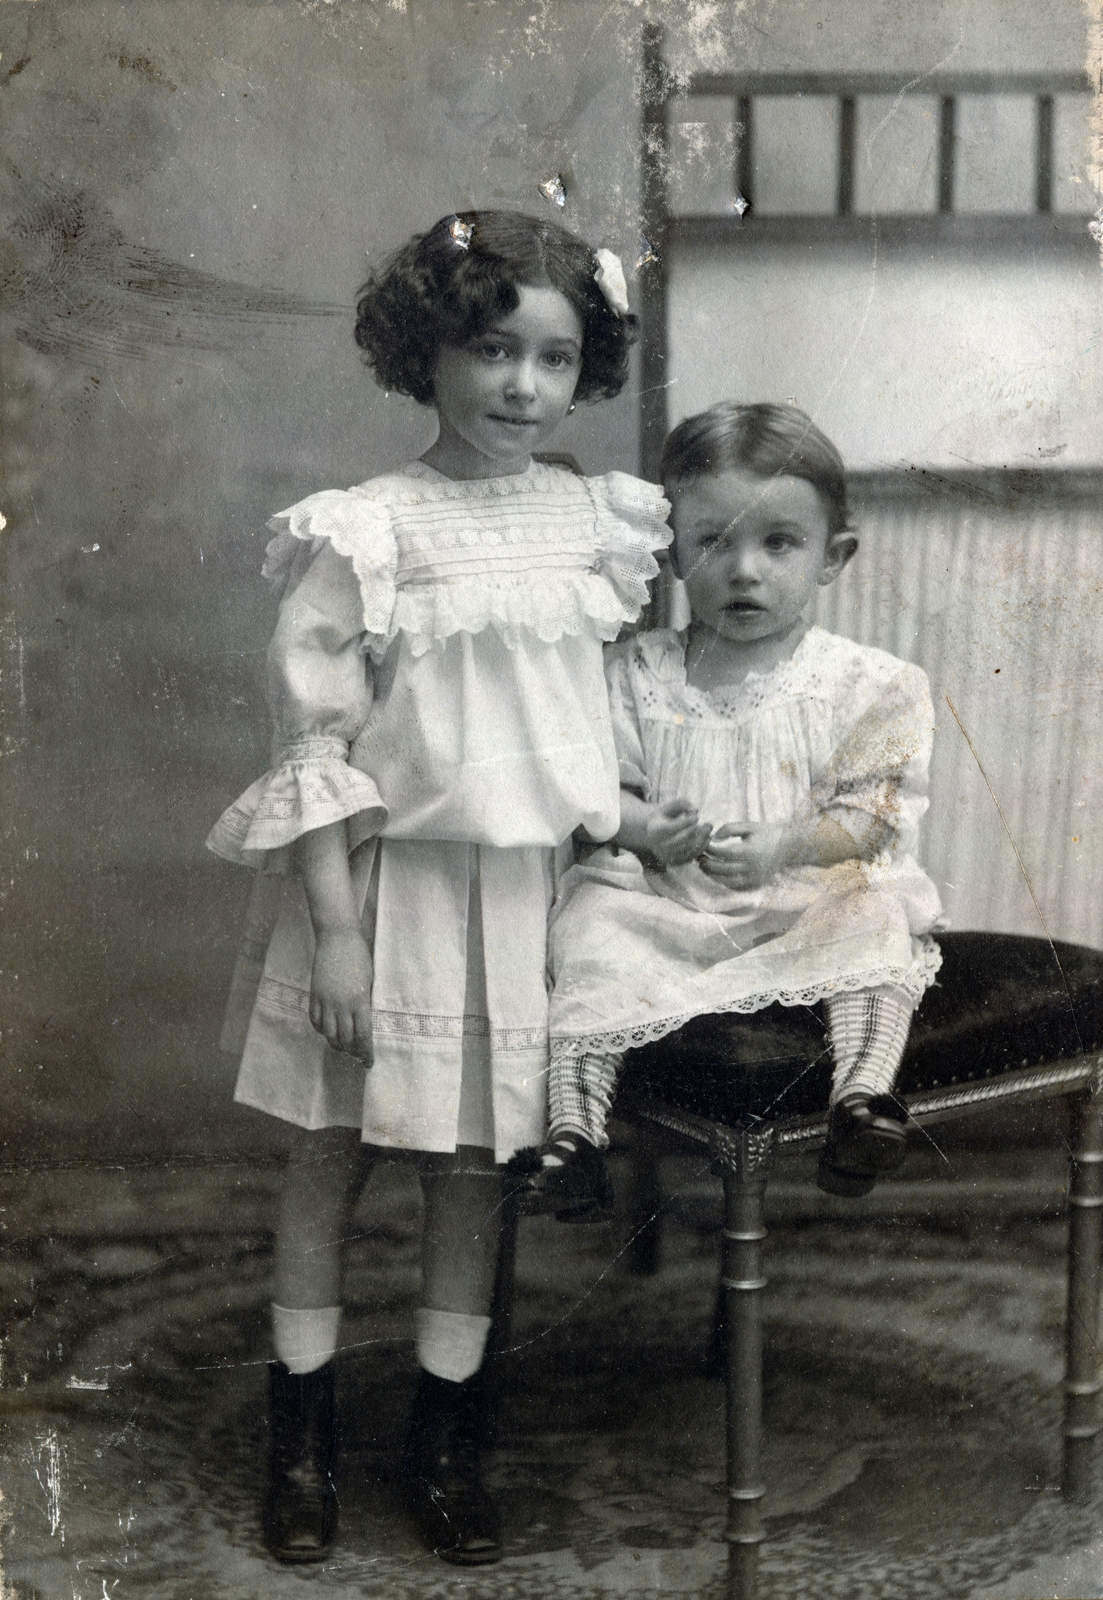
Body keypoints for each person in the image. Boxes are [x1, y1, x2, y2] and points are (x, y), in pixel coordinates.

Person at [206, 210, 671, 1567]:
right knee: (330, 1152)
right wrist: (337, 942)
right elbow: (314, 746)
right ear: (428, 352)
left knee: (475, 1171)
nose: (519, 385)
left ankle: (442, 1436)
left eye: (551, 355)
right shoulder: (366, 531)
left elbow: (572, 735)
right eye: (488, 349)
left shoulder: (596, 527)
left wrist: (639, 831)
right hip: (374, 888)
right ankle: (299, 1436)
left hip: (516, 897)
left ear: (582, 370)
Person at [513, 402, 944, 1219]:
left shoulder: (872, 685)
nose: (743, 570)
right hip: (672, 912)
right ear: (672, 552)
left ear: (831, 556)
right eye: (713, 540)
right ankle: (574, 1136)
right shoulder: (634, 673)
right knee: (587, 930)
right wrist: (645, 830)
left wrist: (786, 843)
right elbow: (594, 798)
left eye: (778, 542)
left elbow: (873, 819)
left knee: (880, 911)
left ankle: (861, 1101)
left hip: (806, 903)